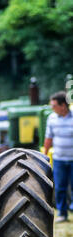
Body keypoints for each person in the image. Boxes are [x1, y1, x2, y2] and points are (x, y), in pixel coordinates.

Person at [44, 91, 73, 222]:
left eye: (54, 105)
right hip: (59, 159)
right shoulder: (51, 118)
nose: (52, 108)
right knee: (60, 187)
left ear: (63, 105)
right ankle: (62, 213)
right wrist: (44, 156)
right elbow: (48, 138)